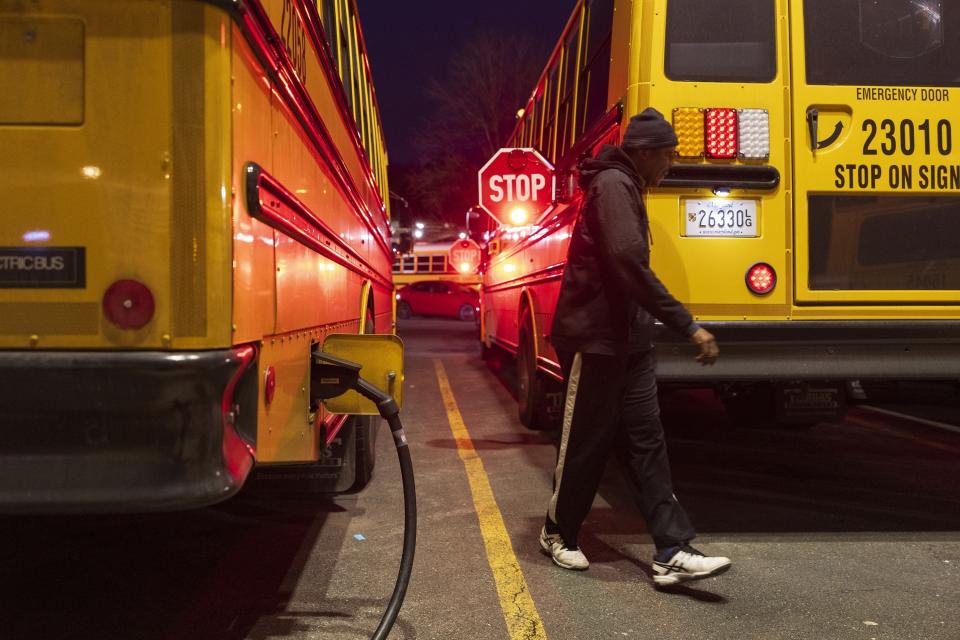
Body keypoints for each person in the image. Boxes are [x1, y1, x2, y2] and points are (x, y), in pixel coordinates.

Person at [538, 107, 730, 587]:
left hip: (630, 339)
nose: (671, 164)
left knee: (648, 441)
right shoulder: (612, 186)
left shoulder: (628, 186)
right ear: (643, 153)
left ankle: (671, 550)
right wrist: (687, 324)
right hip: (596, 339)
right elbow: (626, 260)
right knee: (588, 442)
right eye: (667, 156)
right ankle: (557, 532)